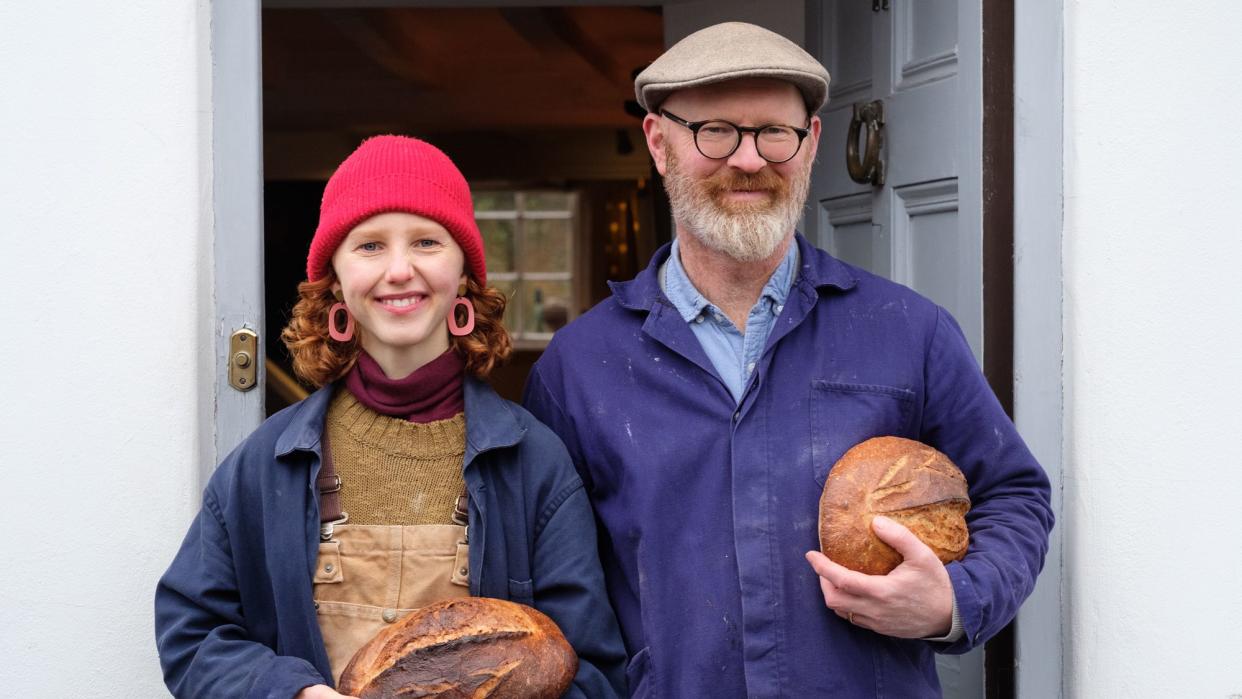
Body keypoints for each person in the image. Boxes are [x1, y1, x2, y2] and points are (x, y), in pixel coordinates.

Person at [522, 22, 1054, 697]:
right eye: (714, 130)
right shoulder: (579, 368)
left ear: (812, 144)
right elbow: (551, 585)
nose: (749, 160)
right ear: (659, 142)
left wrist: (954, 599)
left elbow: (1014, 494)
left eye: (776, 132)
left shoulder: (908, 332)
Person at [155, 135, 626, 699]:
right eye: (370, 246)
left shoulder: (534, 465)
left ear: (464, 275)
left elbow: (593, 670)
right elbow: (193, 634)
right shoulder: (267, 463)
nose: (400, 270)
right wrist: (293, 694)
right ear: (334, 280)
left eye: (426, 241)